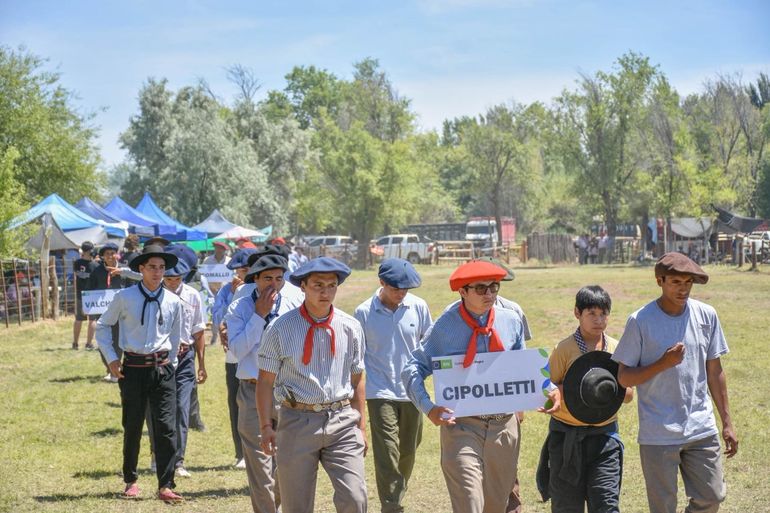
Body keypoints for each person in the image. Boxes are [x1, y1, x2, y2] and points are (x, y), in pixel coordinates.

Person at [402, 261, 556, 513]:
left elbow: (522, 364)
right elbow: (412, 368)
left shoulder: (511, 319)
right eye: (481, 289)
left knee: (495, 506)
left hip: (504, 428)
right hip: (462, 426)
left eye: (494, 287)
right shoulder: (445, 327)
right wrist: (428, 408)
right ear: (463, 291)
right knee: (470, 503)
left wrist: (547, 388)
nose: (490, 294)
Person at [612, 253, 738, 513]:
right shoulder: (640, 321)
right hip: (658, 432)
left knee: (712, 497)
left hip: (701, 428)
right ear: (660, 281)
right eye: (676, 282)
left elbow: (715, 372)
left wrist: (727, 422)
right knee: (663, 508)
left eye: (688, 282)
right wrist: (663, 363)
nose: (683, 289)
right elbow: (624, 377)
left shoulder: (707, 315)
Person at [257, 257, 368, 513]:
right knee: (297, 505)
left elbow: (358, 377)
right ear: (303, 287)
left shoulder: (350, 327)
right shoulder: (281, 328)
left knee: (355, 497)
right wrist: (266, 426)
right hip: (297, 420)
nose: (325, 292)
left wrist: (361, 427)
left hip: (342, 421)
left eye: (331, 285)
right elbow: (265, 381)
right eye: (318, 285)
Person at [95, 244, 185, 503]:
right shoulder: (125, 297)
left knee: (166, 427)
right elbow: (102, 326)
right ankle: (130, 480)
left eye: (161, 268)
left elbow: (177, 335)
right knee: (133, 425)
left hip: (162, 369)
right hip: (133, 368)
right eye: (152, 267)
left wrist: (173, 363)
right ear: (141, 269)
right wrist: (112, 359)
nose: (158, 273)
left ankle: (166, 484)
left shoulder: (173, 301)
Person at [540, 285, 633, 513]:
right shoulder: (563, 349)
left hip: (605, 438)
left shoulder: (616, 349)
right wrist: (565, 391)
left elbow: (628, 395)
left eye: (603, 314)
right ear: (577, 313)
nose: (598, 320)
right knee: (566, 507)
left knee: (606, 505)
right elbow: (546, 387)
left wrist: (610, 390)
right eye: (591, 313)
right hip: (566, 439)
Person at [225, 252, 302, 513]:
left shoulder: (295, 302)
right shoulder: (240, 306)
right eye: (267, 278)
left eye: (279, 278)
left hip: (287, 391)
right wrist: (259, 315)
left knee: (287, 461)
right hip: (251, 388)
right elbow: (236, 350)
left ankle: (276, 505)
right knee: (259, 466)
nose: (273, 284)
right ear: (255, 279)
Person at [354, 258, 432, 513]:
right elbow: (357, 356)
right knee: (388, 451)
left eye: (406, 289)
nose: (401, 293)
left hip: (412, 391)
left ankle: (396, 492)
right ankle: (392, 506)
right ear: (382, 283)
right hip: (380, 391)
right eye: (396, 288)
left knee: (408, 451)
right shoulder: (363, 312)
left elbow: (428, 345)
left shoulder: (418, 307)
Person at [161, 259, 207, 478]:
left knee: (181, 408)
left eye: (177, 279)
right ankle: (157, 454)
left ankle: (178, 461)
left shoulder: (192, 295)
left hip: (185, 357)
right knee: (160, 409)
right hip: (160, 358)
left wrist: (202, 364)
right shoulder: (155, 295)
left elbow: (199, 331)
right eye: (168, 279)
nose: (172, 283)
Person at [212, 247, 256, 469]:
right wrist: (234, 296)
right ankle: (241, 453)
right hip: (234, 354)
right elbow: (219, 317)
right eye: (239, 271)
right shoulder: (226, 291)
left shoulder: (263, 288)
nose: (242, 275)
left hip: (258, 356)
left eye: (246, 270)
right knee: (236, 402)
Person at [87, 242, 126, 382]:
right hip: (102, 312)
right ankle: (109, 368)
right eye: (107, 254)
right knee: (103, 341)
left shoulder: (124, 271)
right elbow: (90, 291)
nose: (110, 256)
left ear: (117, 254)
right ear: (102, 256)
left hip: (121, 312)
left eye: (112, 253)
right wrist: (90, 309)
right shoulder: (97, 271)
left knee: (118, 341)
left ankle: (116, 370)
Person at [72, 241, 97, 350]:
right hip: (90, 294)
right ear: (90, 251)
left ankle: (75, 343)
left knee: (80, 319)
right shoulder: (96, 265)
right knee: (91, 320)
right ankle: (88, 343)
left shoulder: (77, 263)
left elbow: (78, 274)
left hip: (81, 294)